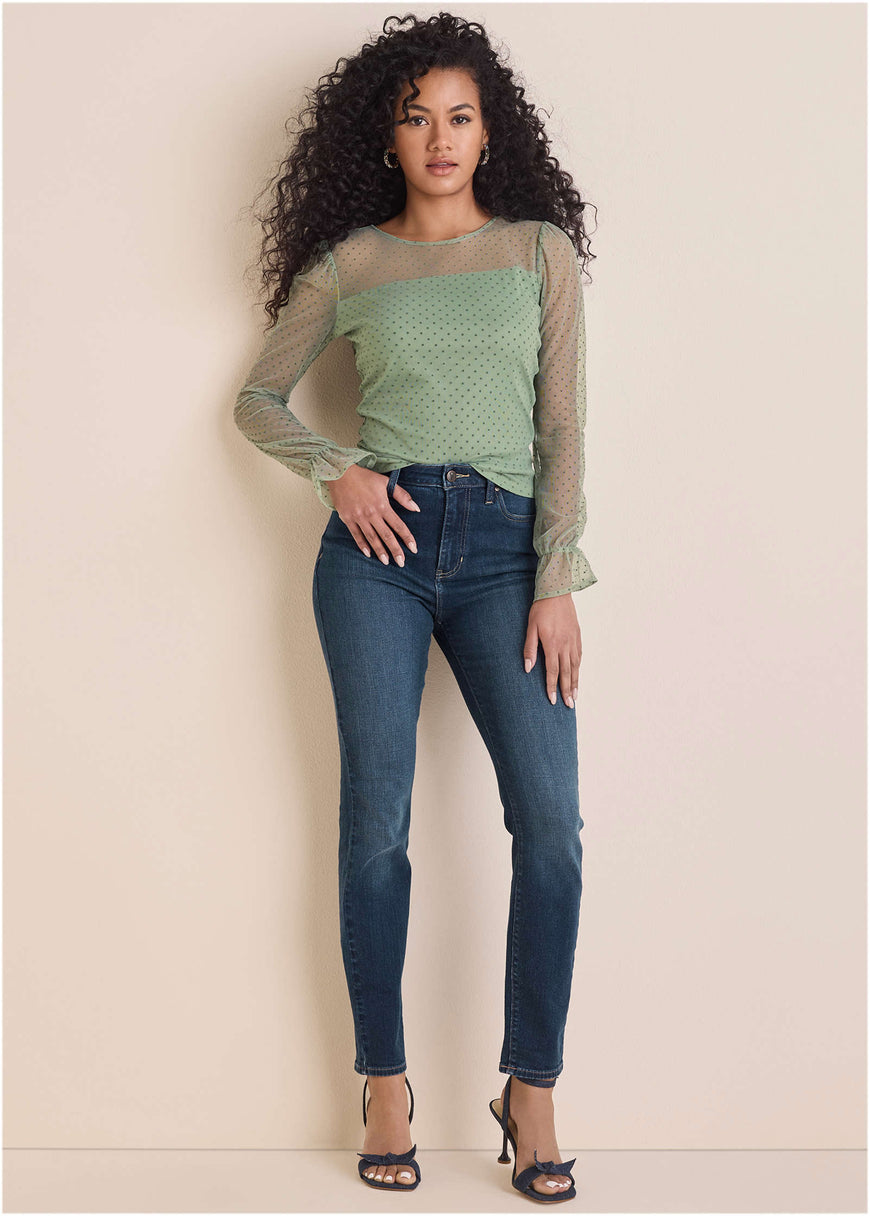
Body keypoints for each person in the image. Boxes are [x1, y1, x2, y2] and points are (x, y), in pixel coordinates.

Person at [233, 11, 598, 1202]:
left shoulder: (538, 252)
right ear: (384, 137)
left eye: (459, 116)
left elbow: (562, 426)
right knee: (374, 826)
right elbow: (257, 397)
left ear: (491, 132)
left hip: (505, 557)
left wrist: (556, 576)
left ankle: (529, 1088)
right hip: (374, 554)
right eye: (415, 117)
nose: (439, 137)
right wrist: (335, 469)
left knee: (551, 827)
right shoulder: (350, 266)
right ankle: (383, 1081)